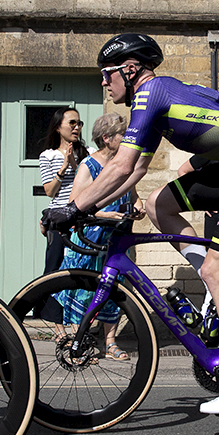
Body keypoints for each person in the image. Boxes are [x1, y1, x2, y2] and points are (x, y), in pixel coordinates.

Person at [43, 33, 219, 414]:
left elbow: (123, 165)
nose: (103, 82)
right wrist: (85, 208)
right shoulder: (157, 101)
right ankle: (215, 287)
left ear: (129, 70)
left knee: (217, 269)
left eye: (106, 74)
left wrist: (73, 207)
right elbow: (134, 171)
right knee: (160, 203)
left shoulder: (152, 92)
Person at [54, 112, 144, 357]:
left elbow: (133, 195)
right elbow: (75, 203)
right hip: (89, 240)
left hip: (116, 240)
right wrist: (106, 215)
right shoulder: (89, 165)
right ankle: (78, 342)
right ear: (106, 138)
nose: (127, 139)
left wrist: (138, 205)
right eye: (122, 135)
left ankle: (110, 342)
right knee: (82, 291)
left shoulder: (125, 165)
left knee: (115, 289)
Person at [38, 106, 88, 276]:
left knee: (80, 267)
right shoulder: (48, 156)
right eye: (72, 123)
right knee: (54, 267)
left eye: (79, 123)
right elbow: (50, 191)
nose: (77, 127)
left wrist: (75, 164)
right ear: (58, 127)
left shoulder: (88, 154)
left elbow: (91, 185)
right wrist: (64, 167)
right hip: (59, 217)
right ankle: (43, 302)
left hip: (81, 216)